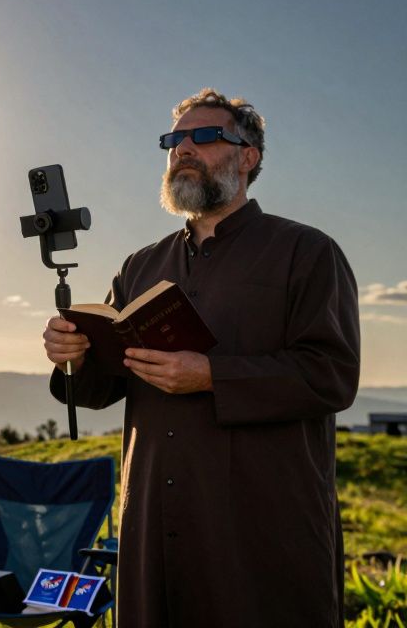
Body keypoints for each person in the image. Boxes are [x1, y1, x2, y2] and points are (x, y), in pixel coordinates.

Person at [41, 88, 360, 626]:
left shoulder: (306, 253)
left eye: (205, 136)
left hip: (261, 532)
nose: (184, 148)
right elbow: (104, 384)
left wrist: (213, 376)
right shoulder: (141, 266)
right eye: (174, 140)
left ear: (248, 156)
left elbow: (332, 375)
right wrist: (72, 357)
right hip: (152, 526)